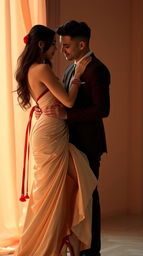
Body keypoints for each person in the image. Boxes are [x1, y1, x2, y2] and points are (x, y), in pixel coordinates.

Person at [14, 24, 97, 256]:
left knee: (54, 190)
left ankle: (61, 241)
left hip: (45, 128)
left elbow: (46, 99)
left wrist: (46, 106)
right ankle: (47, 246)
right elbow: (69, 103)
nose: (57, 50)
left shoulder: (31, 68)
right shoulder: (42, 68)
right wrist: (77, 77)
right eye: (53, 46)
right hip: (50, 132)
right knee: (51, 193)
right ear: (42, 45)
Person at [42, 21, 111, 256]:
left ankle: (92, 252)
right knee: (74, 199)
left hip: (89, 144)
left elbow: (102, 109)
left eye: (67, 46)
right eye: (61, 46)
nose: (63, 50)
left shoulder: (97, 69)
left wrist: (67, 114)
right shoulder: (71, 68)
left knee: (89, 198)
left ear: (82, 44)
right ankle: (78, 247)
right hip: (70, 144)